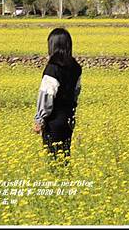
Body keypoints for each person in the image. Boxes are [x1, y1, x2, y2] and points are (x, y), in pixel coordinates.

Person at [33, 28, 82, 167]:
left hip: (53, 121)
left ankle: (57, 186)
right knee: (64, 157)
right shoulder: (76, 67)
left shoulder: (52, 69)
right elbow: (76, 92)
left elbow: (46, 97)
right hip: (68, 119)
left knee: (53, 159)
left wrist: (39, 119)